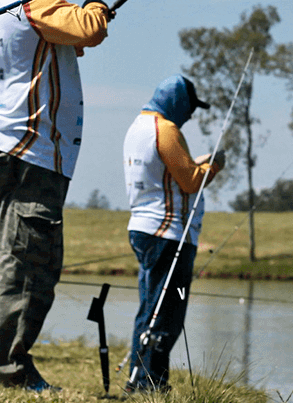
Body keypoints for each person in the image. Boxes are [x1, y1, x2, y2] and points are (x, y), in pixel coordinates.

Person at [0, 0, 112, 391]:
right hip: (28, 157)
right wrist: (95, 6)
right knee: (28, 267)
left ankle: (4, 364)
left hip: (6, 151)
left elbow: (68, 40)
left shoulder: (4, 2)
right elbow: (88, 29)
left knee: (8, 263)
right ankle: (6, 371)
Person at [122, 75, 221, 393]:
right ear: (178, 102)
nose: (191, 114)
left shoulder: (138, 127)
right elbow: (191, 181)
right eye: (190, 106)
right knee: (168, 312)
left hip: (144, 228)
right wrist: (215, 165)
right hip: (168, 234)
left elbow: (168, 171)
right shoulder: (166, 130)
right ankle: (151, 383)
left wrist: (196, 164)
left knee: (150, 307)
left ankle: (141, 377)